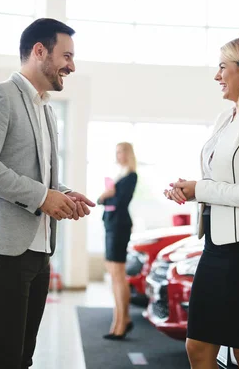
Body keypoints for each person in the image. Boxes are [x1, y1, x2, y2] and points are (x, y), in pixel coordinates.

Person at [0, 18, 95, 369]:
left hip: (39, 251)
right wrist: (42, 197)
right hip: (0, 250)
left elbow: (43, 177)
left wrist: (63, 194)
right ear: (39, 51)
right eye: (66, 56)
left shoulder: (46, 109)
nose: (72, 66)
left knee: (22, 358)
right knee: (4, 357)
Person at [164, 36, 239, 369]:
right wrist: (187, 190)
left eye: (222, 67)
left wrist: (200, 188)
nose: (217, 75)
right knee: (198, 347)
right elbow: (219, 180)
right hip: (216, 249)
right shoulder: (226, 118)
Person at [97, 142, 138, 340]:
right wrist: (106, 196)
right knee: (113, 274)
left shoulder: (131, 175)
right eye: (116, 152)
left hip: (119, 227)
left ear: (128, 154)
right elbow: (107, 200)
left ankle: (122, 322)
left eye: (122, 151)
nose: (119, 155)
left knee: (118, 274)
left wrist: (106, 196)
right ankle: (120, 320)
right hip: (111, 225)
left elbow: (121, 201)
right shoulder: (119, 174)